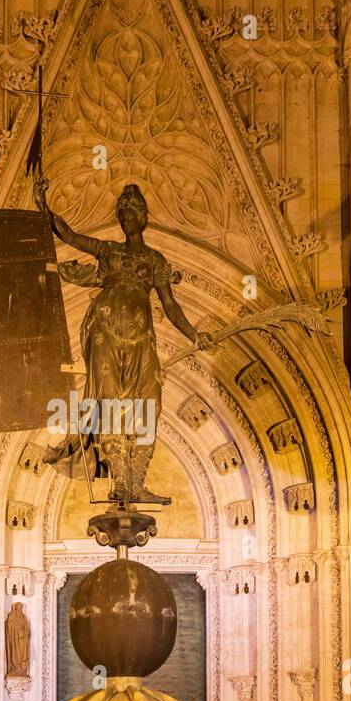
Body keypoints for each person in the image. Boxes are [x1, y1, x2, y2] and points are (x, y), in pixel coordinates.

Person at [35, 177, 212, 505]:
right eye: (123, 212)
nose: (127, 217)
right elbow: (70, 235)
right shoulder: (108, 250)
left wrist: (195, 334)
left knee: (150, 406)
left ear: (143, 217)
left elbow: (170, 305)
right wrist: (46, 211)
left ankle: (136, 483)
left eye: (133, 211)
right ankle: (120, 483)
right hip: (106, 332)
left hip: (141, 339)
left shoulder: (156, 260)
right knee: (110, 405)